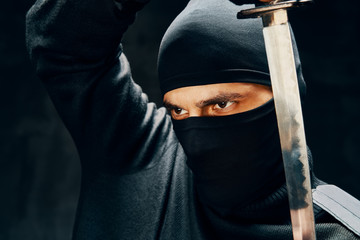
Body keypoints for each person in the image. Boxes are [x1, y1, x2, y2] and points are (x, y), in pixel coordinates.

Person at [26, 0, 360, 239]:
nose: (198, 138)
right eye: (179, 111)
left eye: (222, 105)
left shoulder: (339, 231)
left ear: (285, 95)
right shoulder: (137, 153)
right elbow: (61, 39)